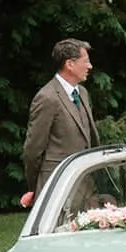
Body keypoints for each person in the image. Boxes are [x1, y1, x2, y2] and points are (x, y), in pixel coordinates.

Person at [20, 37, 100, 206]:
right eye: (86, 61)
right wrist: (35, 187)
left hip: (85, 186)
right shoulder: (47, 98)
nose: (90, 66)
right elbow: (33, 150)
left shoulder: (83, 93)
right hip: (57, 188)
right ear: (69, 64)